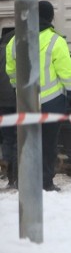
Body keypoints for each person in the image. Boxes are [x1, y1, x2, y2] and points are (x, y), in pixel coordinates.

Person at [5, 1, 71, 191]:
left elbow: (10, 70)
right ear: (50, 17)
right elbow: (68, 74)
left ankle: (22, 180)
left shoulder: (15, 40)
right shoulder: (56, 41)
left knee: (25, 143)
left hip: (26, 101)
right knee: (48, 144)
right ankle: (45, 183)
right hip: (52, 102)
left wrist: (16, 89)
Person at [0, 30, 17, 189]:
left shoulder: (1, 49)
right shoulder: (19, 48)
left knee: (7, 137)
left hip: (3, 102)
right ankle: (15, 176)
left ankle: (6, 168)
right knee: (20, 136)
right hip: (18, 98)